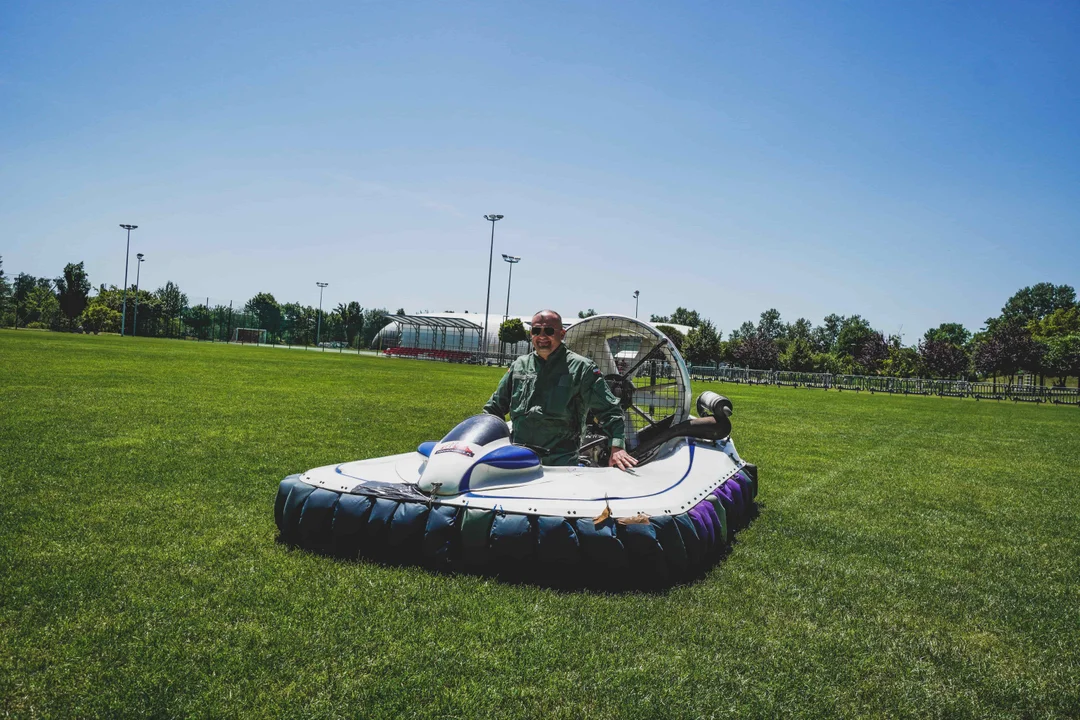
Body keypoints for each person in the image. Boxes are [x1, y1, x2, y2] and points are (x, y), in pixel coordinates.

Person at [483, 310, 639, 470]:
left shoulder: (582, 369)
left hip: (560, 465)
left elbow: (610, 411)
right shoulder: (519, 366)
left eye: (549, 331)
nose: (542, 336)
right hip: (518, 458)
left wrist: (617, 447)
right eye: (536, 330)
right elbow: (493, 409)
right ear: (531, 334)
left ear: (562, 334)